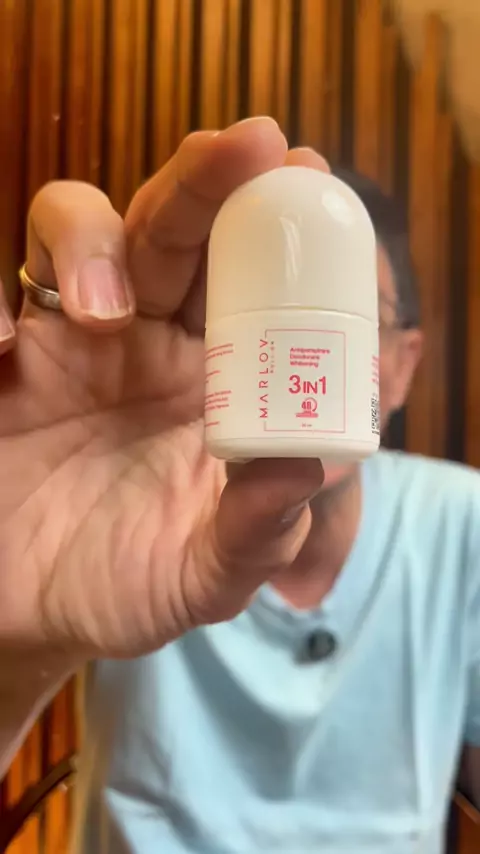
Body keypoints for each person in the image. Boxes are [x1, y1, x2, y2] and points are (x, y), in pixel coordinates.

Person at [0, 117, 479, 853]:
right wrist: (12, 643)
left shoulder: (459, 524)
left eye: (357, 310)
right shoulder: (129, 495)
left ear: (404, 362)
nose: (298, 366)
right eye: (271, 302)